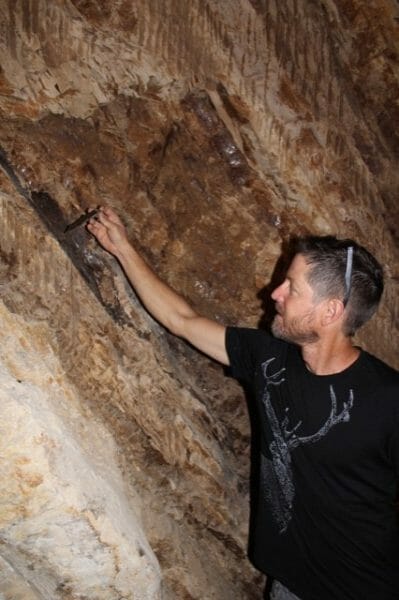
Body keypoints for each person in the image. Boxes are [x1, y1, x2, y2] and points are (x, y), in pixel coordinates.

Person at [87, 206, 399, 600]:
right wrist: (122, 248)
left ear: (331, 311)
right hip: (288, 584)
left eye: (292, 287)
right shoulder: (268, 358)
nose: (275, 294)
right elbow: (181, 319)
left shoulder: (388, 400)